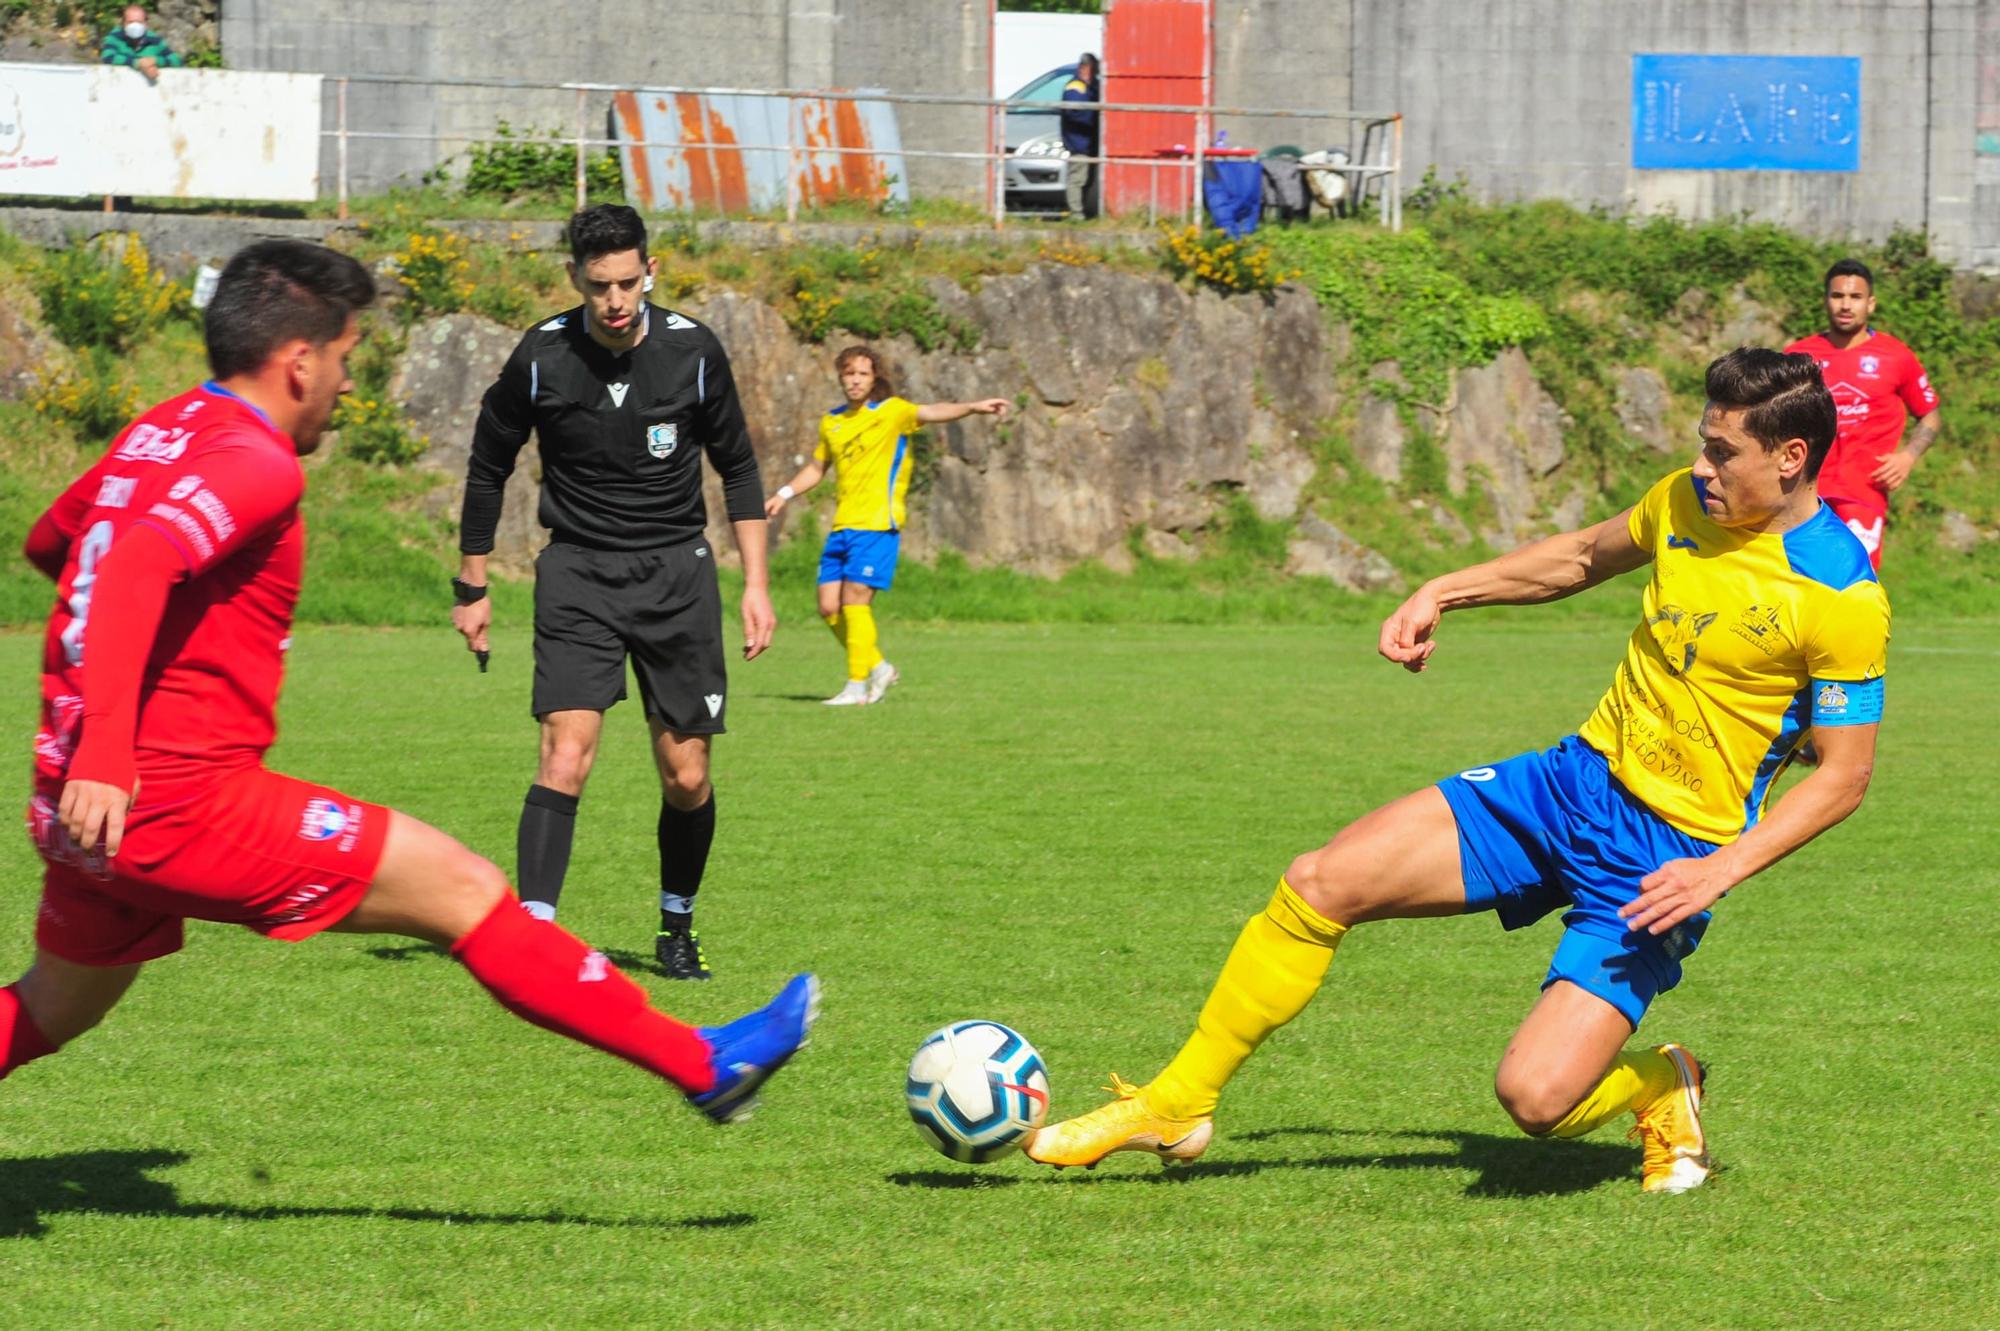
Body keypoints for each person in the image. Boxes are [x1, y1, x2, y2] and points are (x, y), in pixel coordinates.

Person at [1026, 348, 1886, 1195]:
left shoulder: (1841, 595)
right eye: (1703, 442)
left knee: (1536, 1098)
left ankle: (1664, 1084)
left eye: (1722, 451)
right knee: (1321, 880)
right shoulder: (1681, 504)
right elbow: (1582, 557)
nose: (1701, 466)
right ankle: (1177, 1102)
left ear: (1790, 457)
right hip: (1569, 784)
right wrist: (1443, 588)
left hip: (1665, 858)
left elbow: (1843, 776)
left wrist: (1719, 869)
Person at [5, 239, 816, 1130]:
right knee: (465, 890)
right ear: (299, 361)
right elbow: (133, 564)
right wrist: (118, 747)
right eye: (347, 359)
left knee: (54, 1007)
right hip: (164, 796)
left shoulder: (156, 431)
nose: (349, 385)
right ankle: (705, 1062)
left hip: (75, 794)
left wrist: (114, 713)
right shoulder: (256, 459)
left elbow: (59, 543)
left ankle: (704, 1060)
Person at [452, 204, 774, 981]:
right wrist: (472, 581)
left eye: (629, 282)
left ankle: (676, 925)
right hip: (578, 574)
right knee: (566, 754)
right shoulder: (542, 356)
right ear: (576, 279)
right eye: (600, 286)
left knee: (687, 774)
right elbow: (489, 461)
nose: (617, 300)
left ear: (649, 271)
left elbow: (738, 468)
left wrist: (756, 583)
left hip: (677, 576)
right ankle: (534, 942)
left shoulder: (694, 351)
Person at [763, 347, 1007, 706]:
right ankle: (878, 666)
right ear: (841, 378)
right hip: (842, 526)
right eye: (849, 374)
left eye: (863, 373)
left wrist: (972, 407)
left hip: (877, 524)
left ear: (874, 377)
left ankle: (857, 686)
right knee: (829, 606)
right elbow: (817, 468)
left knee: (855, 603)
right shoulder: (832, 421)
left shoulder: (892, 412)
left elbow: (932, 411)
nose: (856, 380)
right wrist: (783, 494)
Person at [1783, 258, 1943, 571]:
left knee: (1854, 582)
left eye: (1855, 297)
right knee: (1799, 582)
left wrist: (1907, 457)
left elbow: (1930, 415)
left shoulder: (1895, 356)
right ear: (1825, 300)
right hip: (1802, 491)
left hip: (1863, 492)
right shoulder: (1798, 356)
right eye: (1837, 296)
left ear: (1870, 304)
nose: (1845, 305)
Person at [1060, 54, 1101, 221]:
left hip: (1090, 141)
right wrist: (1095, 118)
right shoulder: (1075, 87)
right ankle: (1076, 213)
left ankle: (1085, 211)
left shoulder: (1092, 86)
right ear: (1084, 68)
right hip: (1079, 141)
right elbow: (1074, 113)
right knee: (1078, 178)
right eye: (1094, 69)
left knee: (1087, 179)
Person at [100, 6, 182, 83]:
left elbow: (176, 61)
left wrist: (154, 61)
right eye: (130, 22)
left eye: (139, 22)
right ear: (123, 23)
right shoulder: (115, 36)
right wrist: (138, 63)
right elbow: (108, 57)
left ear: (146, 24)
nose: (135, 26)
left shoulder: (154, 39)